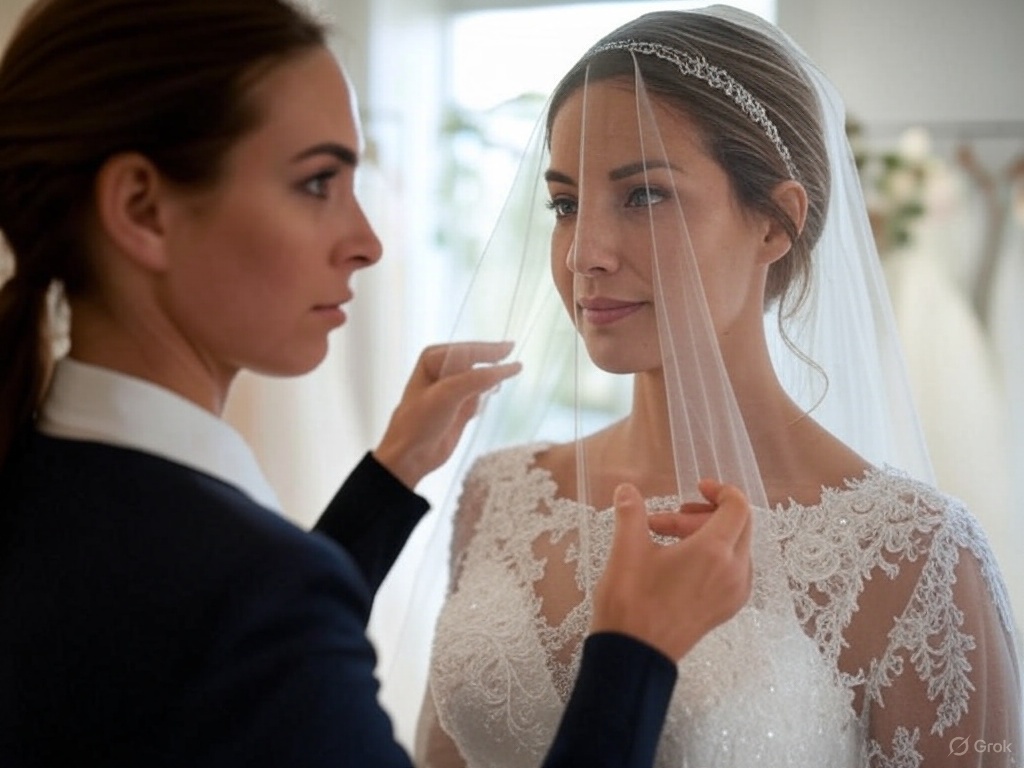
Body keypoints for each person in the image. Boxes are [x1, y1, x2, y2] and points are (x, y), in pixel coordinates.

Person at [0, 1, 757, 766]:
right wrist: (635, 648)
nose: (366, 243)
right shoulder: (247, 589)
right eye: (317, 182)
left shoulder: (39, 487)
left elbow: (218, 683)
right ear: (142, 208)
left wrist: (389, 481)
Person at [413, 6, 1023, 767]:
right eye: (566, 204)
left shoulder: (918, 555)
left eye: (643, 195)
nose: (584, 254)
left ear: (774, 222)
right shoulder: (496, 492)